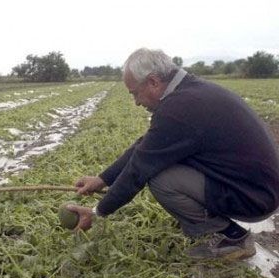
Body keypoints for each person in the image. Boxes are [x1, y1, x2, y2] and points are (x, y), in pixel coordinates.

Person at [67, 48, 279, 260]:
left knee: (161, 178)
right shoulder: (190, 93)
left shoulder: (180, 108)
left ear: (153, 82)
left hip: (254, 197)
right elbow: (145, 146)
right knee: (162, 166)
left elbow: (138, 170)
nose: (136, 102)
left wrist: (97, 212)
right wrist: (102, 180)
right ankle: (211, 223)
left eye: (134, 93)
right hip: (257, 188)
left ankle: (232, 238)